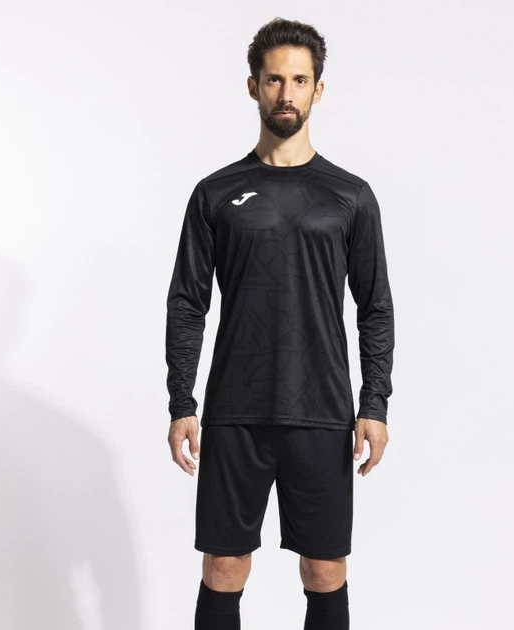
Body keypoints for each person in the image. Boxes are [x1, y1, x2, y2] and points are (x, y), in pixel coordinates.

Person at [165, 16, 395, 630]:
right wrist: (182, 402)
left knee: (324, 571)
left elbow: (375, 306)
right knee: (223, 568)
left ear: (318, 89)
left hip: (321, 410)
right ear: (253, 87)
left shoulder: (350, 196)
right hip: (234, 411)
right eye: (274, 80)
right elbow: (187, 302)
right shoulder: (216, 193)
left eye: (298, 80)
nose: (285, 93)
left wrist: (374, 404)